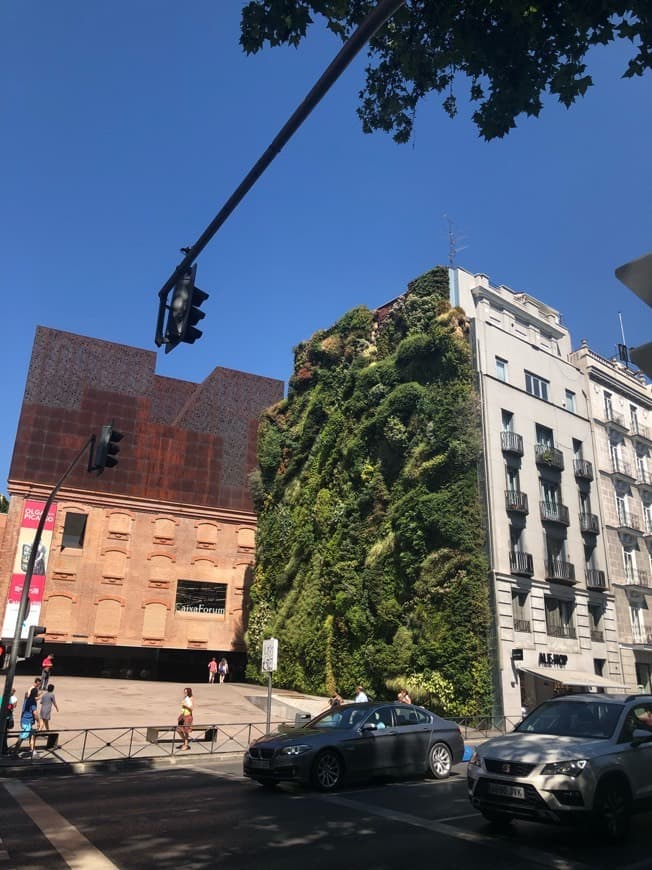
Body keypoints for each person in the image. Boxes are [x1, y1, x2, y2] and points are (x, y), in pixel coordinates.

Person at [14, 687, 40, 757]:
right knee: (22, 737)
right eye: (37, 692)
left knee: (32, 736)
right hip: (27, 722)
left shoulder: (27, 699)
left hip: (26, 721)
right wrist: (38, 722)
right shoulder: (33, 701)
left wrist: (40, 695)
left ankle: (33, 752)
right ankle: (15, 752)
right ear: (35, 694)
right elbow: (35, 713)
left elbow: (35, 697)